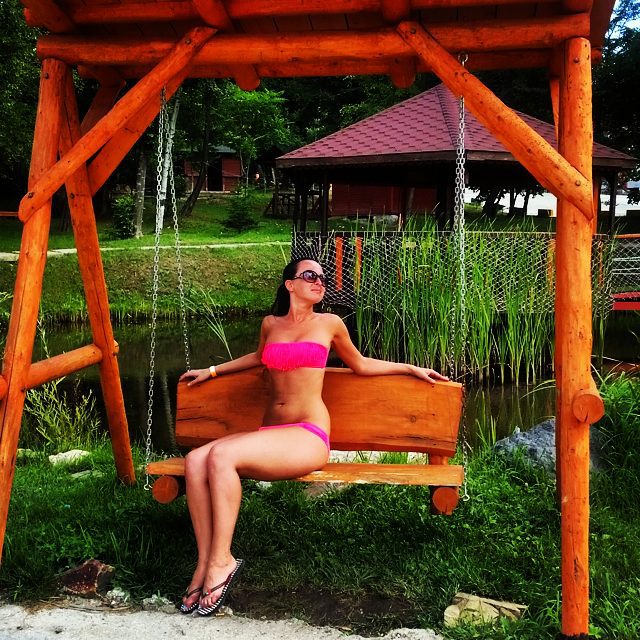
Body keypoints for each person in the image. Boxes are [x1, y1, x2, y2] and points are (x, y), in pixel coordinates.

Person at [177, 257, 448, 617]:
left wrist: (410, 368)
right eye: (310, 275)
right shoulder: (270, 324)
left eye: (322, 277)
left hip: (308, 434)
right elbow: (257, 358)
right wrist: (211, 371)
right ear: (290, 284)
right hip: (273, 433)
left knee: (221, 456)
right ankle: (204, 563)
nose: (319, 281)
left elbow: (361, 364)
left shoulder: (330, 324)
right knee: (196, 459)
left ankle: (222, 560)